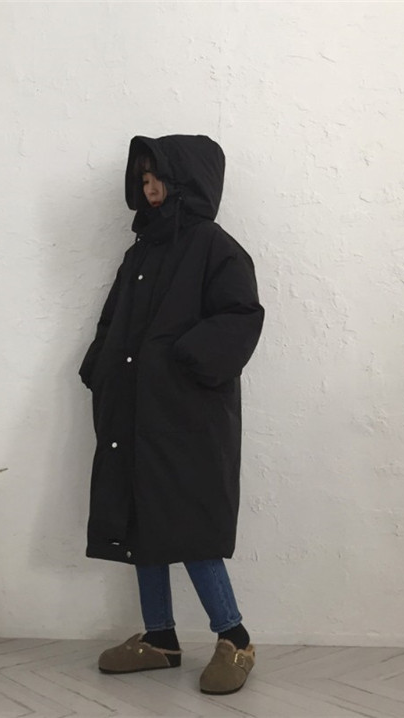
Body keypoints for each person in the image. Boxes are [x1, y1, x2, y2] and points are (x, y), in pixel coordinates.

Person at [79, 134, 264, 695]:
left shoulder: (215, 247)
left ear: (187, 179)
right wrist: (99, 368)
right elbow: (111, 321)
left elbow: (241, 316)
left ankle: (235, 637)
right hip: (134, 411)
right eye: (143, 179)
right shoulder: (139, 254)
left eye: (157, 176)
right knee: (141, 521)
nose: (149, 187)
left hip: (187, 416)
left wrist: (182, 360)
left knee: (190, 526)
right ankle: (160, 638)